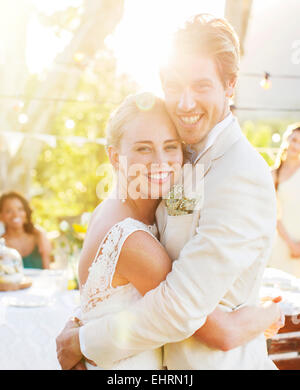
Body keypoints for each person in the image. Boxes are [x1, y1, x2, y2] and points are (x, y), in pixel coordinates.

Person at [56, 14, 281, 370]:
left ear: (231, 85)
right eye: (173, 85)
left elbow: (183, 305)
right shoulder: (178, 155)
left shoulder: (242, 174)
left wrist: (84, 342)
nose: (185, 103)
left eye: (201, 86)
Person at [269, 123, 300, 276]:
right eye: (294, 140)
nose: (296, 145)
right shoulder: (274, 174)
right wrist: (290, 244)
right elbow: (272, 213)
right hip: (281, 242)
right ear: (287, 139)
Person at [0, 191, 52, 269]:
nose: (16, 214)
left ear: (26, 213)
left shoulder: (39, 238)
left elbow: (48, 271)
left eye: (20, 209)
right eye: (9, 211)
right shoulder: (1, 245)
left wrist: (41, 233)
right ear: (1, 216)